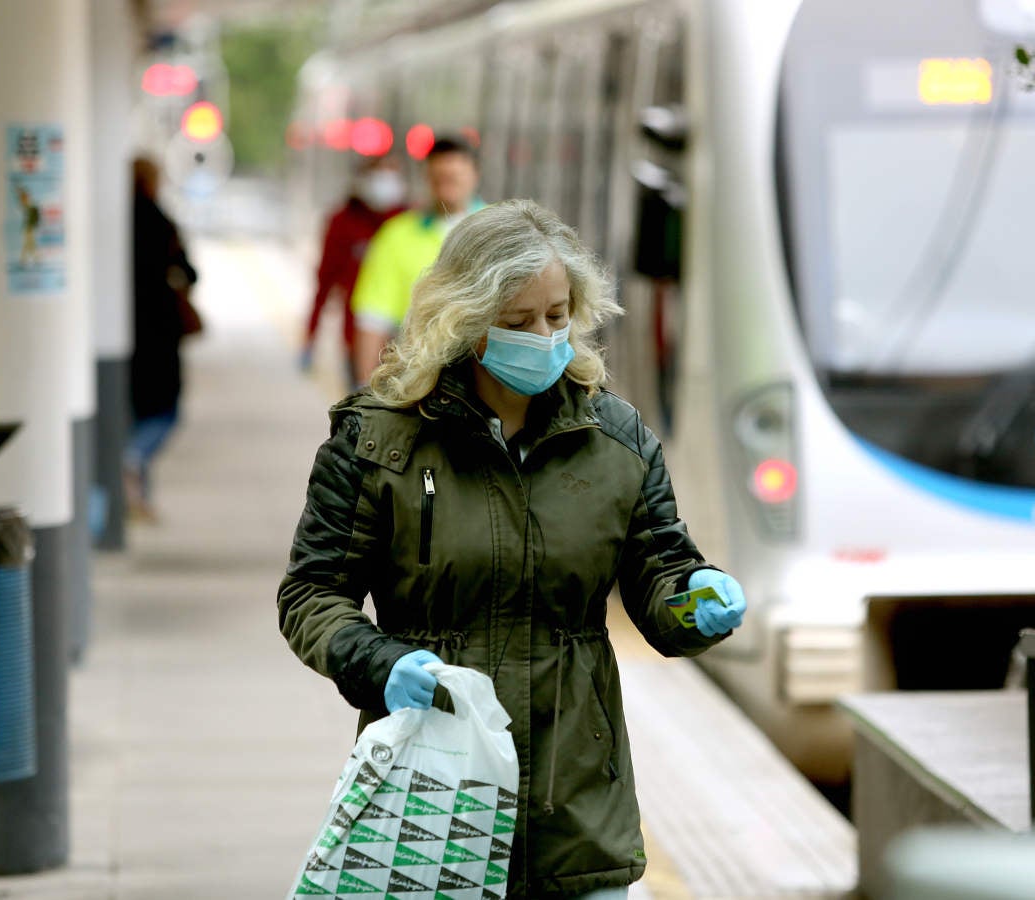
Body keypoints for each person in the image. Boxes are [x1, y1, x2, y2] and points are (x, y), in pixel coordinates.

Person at [277, 200, 747, 898]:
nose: (545, 336)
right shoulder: (379, 442)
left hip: (579, 811)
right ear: (465, 321)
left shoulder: (617, 442)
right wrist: (380, 661)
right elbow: (312, 594)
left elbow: (661, 574)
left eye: (557, 315)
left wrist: (692, 600)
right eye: (519, 321)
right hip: (432, 808)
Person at [348, 135, 481, 385]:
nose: (446, 186)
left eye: (454, 178)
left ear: (475, 175)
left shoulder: (499, 231)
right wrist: (364, 392)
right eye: (439, 178)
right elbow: (372, 317)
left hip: (486, 379)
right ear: (427, 177)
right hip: (416, 380)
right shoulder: (396, 235)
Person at [125, 156, 197, 522]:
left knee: (134, 411)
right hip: (159, 332)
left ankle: (137, 496)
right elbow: (189, 272)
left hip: (124, 334)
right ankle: (131, 463)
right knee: (165, 412)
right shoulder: (160, 221)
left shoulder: (115, 222)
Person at [300, 155, 407, 380]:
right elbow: (324, 282)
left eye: (391, 175)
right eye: (379, 175)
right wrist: (310, 338)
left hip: (407, 345)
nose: (386, 182)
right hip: (357, 341)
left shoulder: (410, 223)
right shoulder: (342, 222)